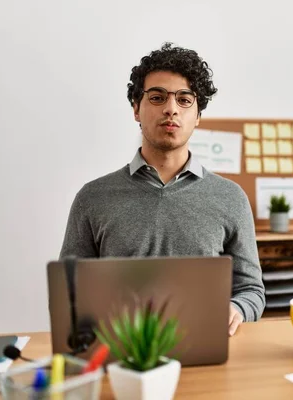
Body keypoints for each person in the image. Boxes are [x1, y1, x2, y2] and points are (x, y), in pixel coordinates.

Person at [59, 42, 265, 336]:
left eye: (184, 100)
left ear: (198, 116)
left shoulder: (231, 198)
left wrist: (237, 308)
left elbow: (251, 289)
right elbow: (70, 291)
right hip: (123, 355)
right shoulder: (92, 198)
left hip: (205, 346)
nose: (171, 109)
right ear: (136, 109)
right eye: (157, 98)